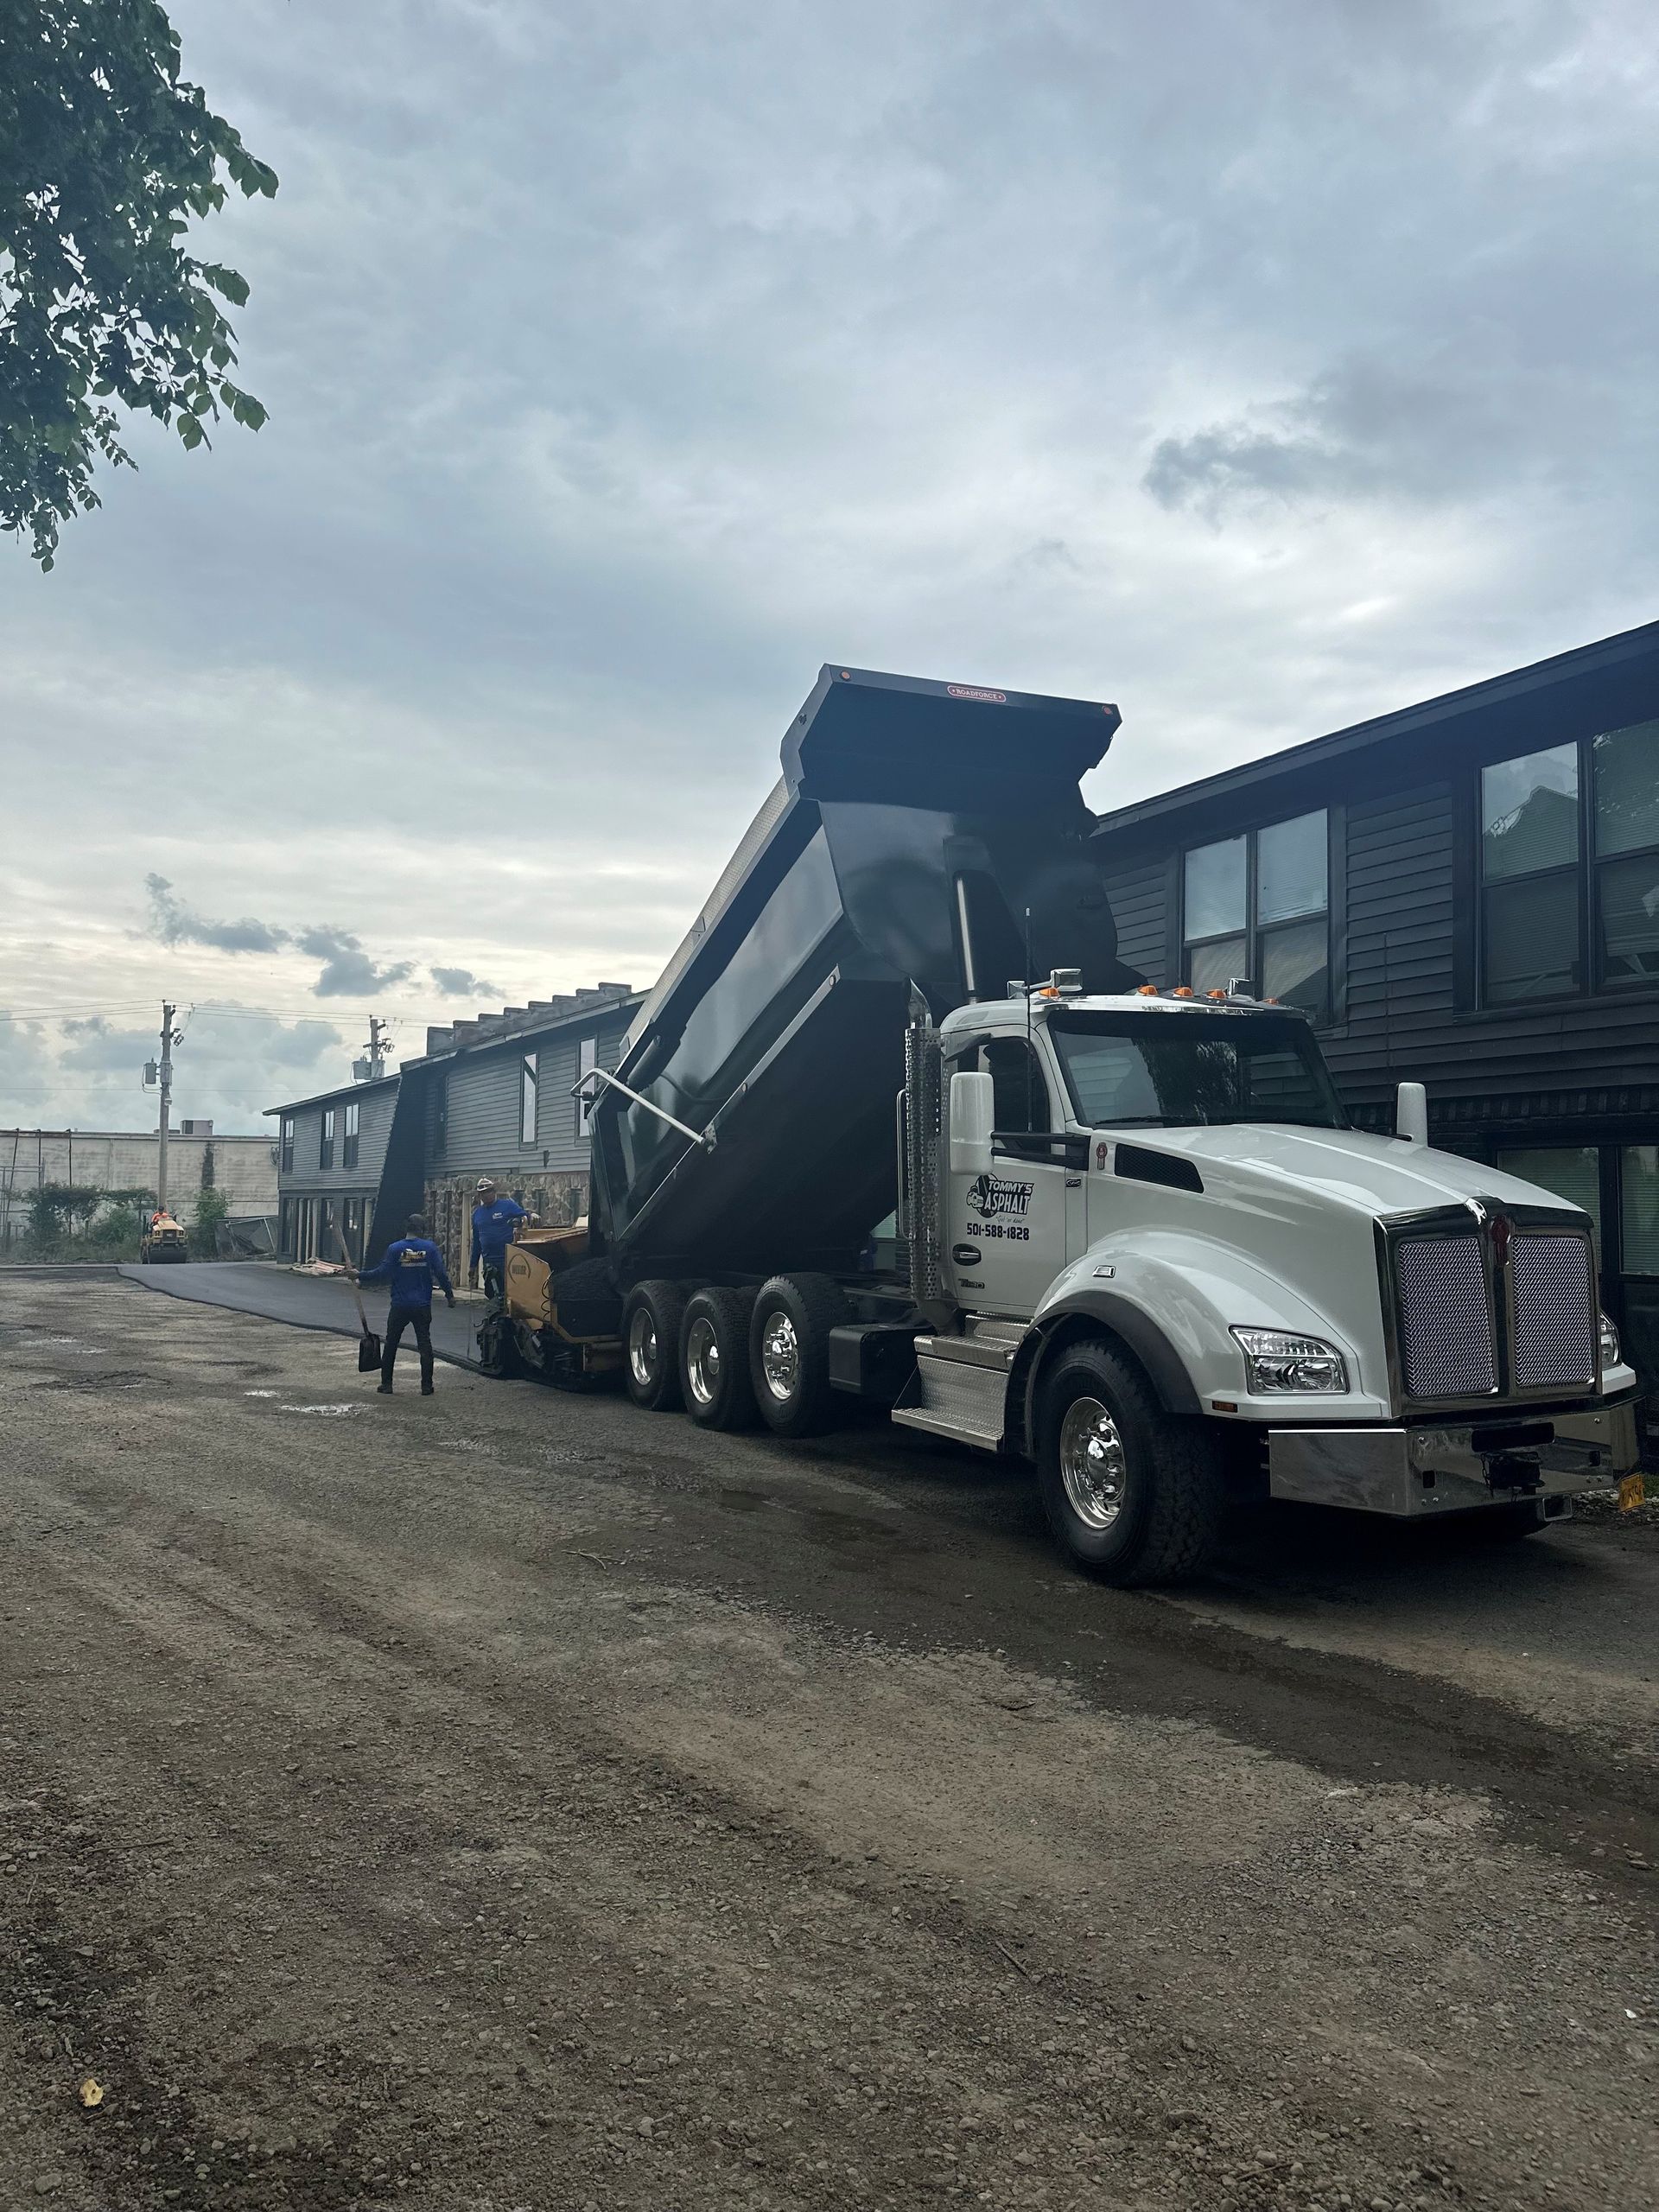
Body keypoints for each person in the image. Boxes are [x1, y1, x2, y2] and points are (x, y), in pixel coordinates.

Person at [353, 1211, 454, 1396]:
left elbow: (382, 1272)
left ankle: (387, 1384)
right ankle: (426, 1386)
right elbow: (441, 1274)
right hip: (422, 1305)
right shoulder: (430, 1248)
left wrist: (359, 1275)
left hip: (399, 1305)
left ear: (406, 1228)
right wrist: (450, 1295)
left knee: (391, 1343)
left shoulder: (395, 1248)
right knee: (424, 1344)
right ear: (422, 1229)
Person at [470, 1177, 535, 1301]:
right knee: (492, 1293)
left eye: (488, 1191)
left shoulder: (507, 1205)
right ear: (479, 1196)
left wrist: (531, 1216)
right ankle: (495, 1317)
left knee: (508, 1293)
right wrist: (473, 1265)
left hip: (507, 1259)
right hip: (489, 1261)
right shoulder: (477, 1214)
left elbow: (524, 1217)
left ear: (494, 1192)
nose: (486, 1195)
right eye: (483, 1193)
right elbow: (477, 1241)